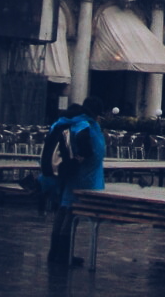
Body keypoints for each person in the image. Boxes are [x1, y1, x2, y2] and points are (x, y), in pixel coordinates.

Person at [47, 96, 106, 267]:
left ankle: (54, 251)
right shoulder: (86, 124)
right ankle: (64, 254)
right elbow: (90, 151)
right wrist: (80, 159)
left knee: (63, 209)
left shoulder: (68, 121)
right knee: (71, 212)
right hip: (84, 177)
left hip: (69, 173)